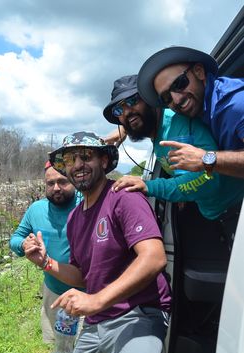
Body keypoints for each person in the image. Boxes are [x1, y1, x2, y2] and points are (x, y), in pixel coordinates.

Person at [24, 131, 178, 353]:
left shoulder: (123, 197)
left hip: (139, 310)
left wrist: (96, 301)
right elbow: (83, 275)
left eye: (86, 157)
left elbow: (154, 258)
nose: (77, 165)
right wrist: (46, 263)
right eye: (70, 160)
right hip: (99, 320)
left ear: (104, 160)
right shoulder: (76, 221)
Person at [9, 161, 119, 353]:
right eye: (50, 183)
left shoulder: (87, 204)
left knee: (95, 350)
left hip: (89, 291)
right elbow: (16, 237)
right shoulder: (36, 210)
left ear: (72, 180)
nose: (56, 188)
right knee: (62, 347)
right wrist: (23, 244)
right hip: (54, 293)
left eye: (62, 182)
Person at [103, 75, 244, 249]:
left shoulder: (177, 122)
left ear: (149, 99)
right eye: (119, 110)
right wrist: (127, 126)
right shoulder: (156, 129)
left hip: (236, 209)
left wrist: (148, 186)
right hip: (213, 213)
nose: (126, 112)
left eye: (132, 101)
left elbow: (207, 179)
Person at [137, 46, 244, 180]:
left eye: (179, 84)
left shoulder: (234, 104)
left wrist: (205, 159)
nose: (176, 99)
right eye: (166, 98)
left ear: (199, 72)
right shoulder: (203, 108)